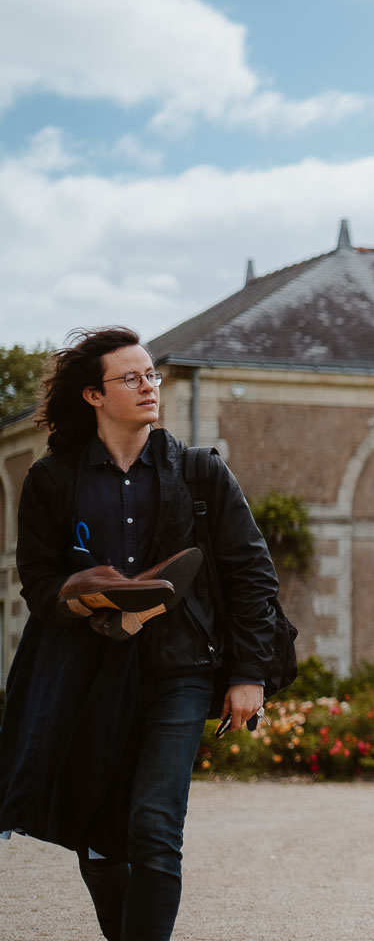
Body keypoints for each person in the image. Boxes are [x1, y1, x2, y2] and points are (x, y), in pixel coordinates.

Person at [0, 326, 278, 941]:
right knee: (98, 835)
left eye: (151, 375)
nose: (149, 386)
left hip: (180, 668)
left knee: (153, 824)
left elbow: (252, 575)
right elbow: (40, 584)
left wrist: (249, 673)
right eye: (132, 378)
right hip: (89, 672)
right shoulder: (52, 481)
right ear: (94, 396)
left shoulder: (201, 474)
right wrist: (93, 603)